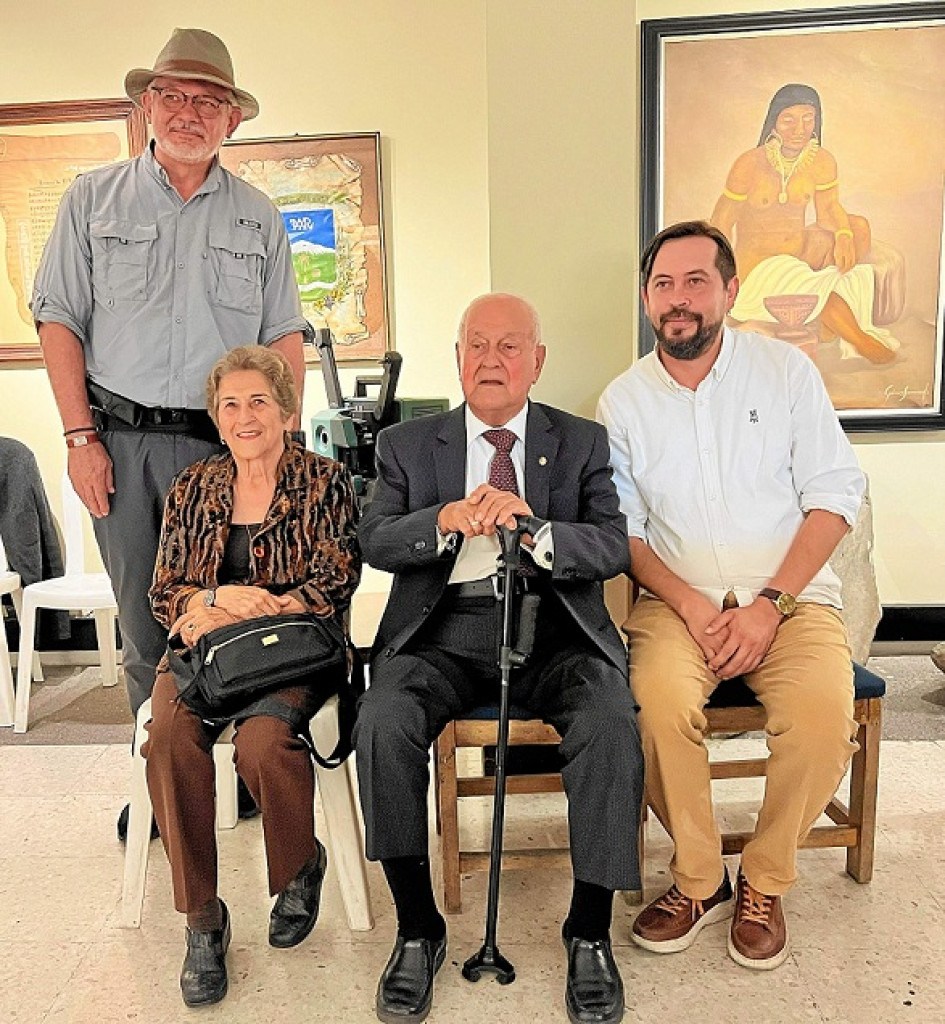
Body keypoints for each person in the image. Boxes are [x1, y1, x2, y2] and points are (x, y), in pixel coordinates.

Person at [355, 293, 643, 1024]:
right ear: (456, 358)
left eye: (509, 346)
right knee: (381, 722)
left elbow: (610, 544)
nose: (491, 359)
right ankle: (417, 927)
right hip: (442, 633)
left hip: (554, 633)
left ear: (536, 362)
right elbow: (376, 539)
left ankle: (588, 931)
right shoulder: (408, 445)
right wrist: (442, 520)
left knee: (611, 720)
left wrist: (539, 530)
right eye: (475, 345)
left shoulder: (579, 441)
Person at [30, 28, 310, 757]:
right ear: (148, 105)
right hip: (119, 444)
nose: (189, 112)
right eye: (174, 96)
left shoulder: (258, 216)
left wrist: (281, 445)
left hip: (228, 448)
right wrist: (79, 438)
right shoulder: (91, 199)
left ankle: (232, 770)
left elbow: (284, 337)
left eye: (208, 101)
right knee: (143, 623)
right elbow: (57, 320)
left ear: (233, 119)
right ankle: (159, 777)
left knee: (232, 610)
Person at [598, 221, 865, 971]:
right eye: (662, 285)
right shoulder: (622, 400)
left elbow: (833, 496)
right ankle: (698, 877)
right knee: (648, 707)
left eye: (693, 282)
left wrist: (766, 604)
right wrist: (690, 605)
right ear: (646, 298)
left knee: (819, 720)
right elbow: (623, 532)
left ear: (729, 291)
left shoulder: (784, 373)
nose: (676, 300)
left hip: (790, 602)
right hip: (677, 606)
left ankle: (764, 879)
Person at [143, 346, 360, 1007]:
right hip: (205, 646)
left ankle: (299, 864)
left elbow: (337, 575)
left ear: (286, 411)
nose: (245, 416)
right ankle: (202, 919)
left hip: (290, 648)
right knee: (169, 741)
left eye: (258, 401)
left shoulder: (324, 481)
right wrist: (211, 603)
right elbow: (164, 589)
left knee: (262, 744)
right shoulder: (192, 486)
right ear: (216, 417)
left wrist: (269, 605)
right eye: (230, 404)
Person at [710, 83, 898, 364]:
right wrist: (720, 280)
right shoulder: (749, 163)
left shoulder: (821, 161)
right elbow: (721, 223)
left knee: (857, 226)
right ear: (773, 121)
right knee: (819, 292)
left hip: (798, 255)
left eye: (808, 118)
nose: (800, 129)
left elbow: (829, 209)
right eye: (789, 119)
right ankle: (860, 340)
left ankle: (823, 319)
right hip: (758, 268)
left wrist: (845, 234)